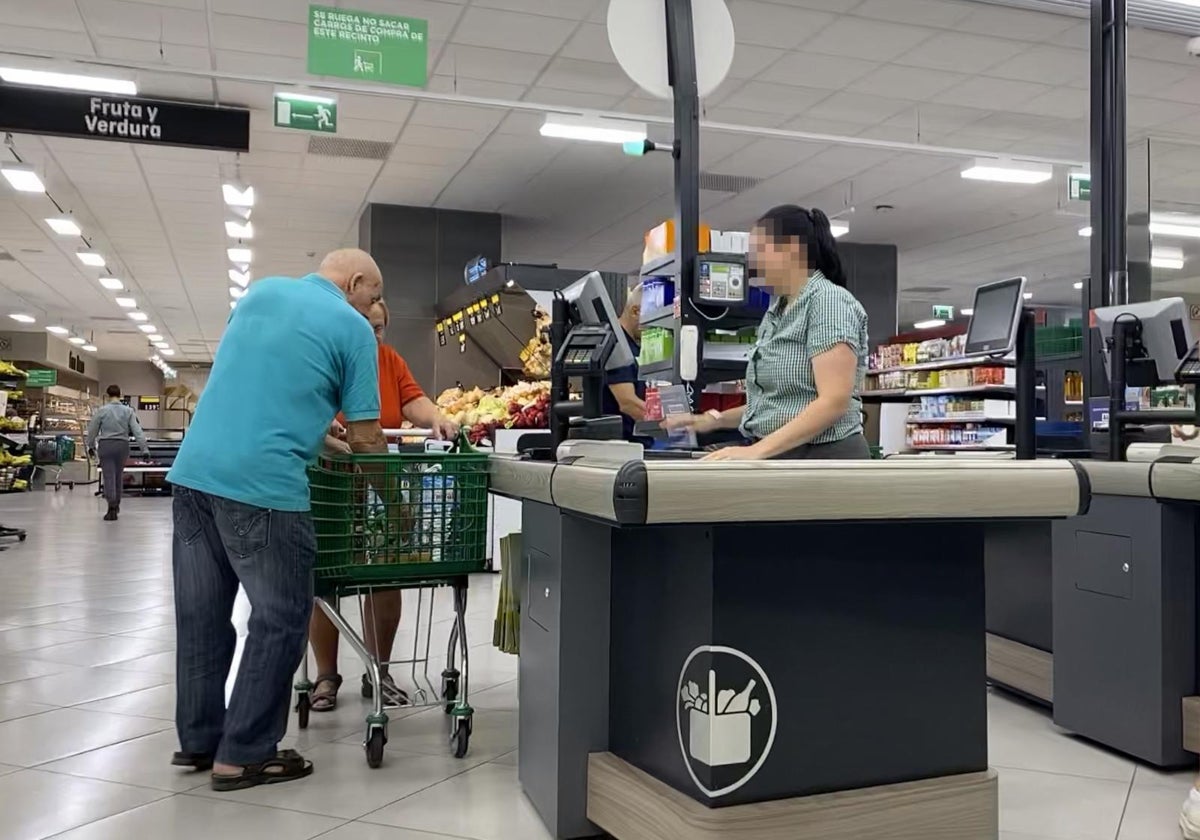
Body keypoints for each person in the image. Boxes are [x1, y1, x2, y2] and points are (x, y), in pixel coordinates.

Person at [167, 249, 390, 792]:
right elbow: (367, 436)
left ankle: (199, 742)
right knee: (281, 616)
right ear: (355, 282)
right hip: (263, 489)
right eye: (376, 295)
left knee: (201, 619)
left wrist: (318, 437)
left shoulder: (260, 293)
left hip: (193, 476)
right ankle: (243, 754)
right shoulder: (354, 329)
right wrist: (397, 501)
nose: (376, 307)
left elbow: (257, 392)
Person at [309, 299, 458, 711]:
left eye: (377, 329)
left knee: (386, 574)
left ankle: (380, 670)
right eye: (363, 326)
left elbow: (413, 400)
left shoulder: (389, 360)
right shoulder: (327, 357)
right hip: (334, 479)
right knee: (328, 579)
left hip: (381, 481)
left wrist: (437, 417)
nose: (370, 336)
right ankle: (326, 674)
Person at [668, 205, 870, 461]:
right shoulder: (778, 310)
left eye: (760, 250)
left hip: (823, 460)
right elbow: (776, 405)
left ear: (793, 249)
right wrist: (711, 420)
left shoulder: (828, 302)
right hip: (786, 455)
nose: (752, 261)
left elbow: (833, 401)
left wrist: (755, 452)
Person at [85, 385, 149, 521]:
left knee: (109, 476)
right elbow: (137, 431)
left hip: (106, 445)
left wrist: (90, 445)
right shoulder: (129, 411)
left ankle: (111, 507)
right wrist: (144, 449)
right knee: (118, 476)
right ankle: (116, 505)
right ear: (120, 395)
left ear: (108, 395)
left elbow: (92, 430)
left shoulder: (102, 411)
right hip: (122, 446)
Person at [601, 283, 646, 439]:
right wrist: (674, 425)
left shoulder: (631, 345)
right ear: (636, 311)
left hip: (634, 440)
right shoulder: (617, 343)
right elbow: (628, 403)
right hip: (621, 444)